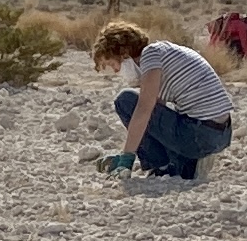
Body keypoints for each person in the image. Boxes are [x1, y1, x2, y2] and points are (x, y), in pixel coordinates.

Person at [90, 20, 233, 178]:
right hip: (219, 134)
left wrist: (127, 158)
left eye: (112, 64)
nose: (116, 71)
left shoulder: (150, 55)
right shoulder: (162, 52)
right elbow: (157, 114)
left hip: (200, 134)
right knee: (145, 109)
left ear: (123, 53)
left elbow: (144, 109)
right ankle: (184, 164)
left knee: (126, 101)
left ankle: (160, 165)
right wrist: (128, 151)